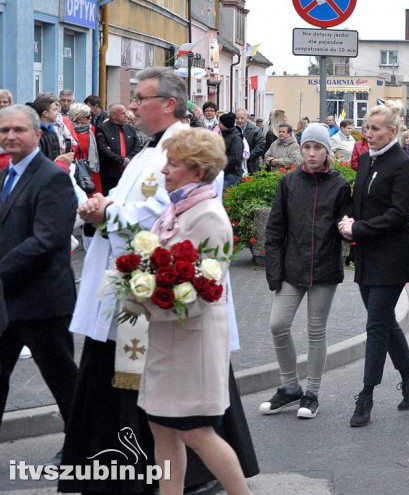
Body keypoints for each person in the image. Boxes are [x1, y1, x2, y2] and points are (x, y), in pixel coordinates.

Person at [63, 67, 258, 494]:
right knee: (163, 428)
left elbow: (170, 247)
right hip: (148, 317)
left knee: (192, 429)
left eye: (141, 97)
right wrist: (104, 206)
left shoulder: (195, 187)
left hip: (173, 328)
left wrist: (110, 221)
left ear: (169, 104)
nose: (133, 104)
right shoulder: (154, 152)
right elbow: (145, 213)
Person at [134, 128, 252, 495]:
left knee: (195, 431)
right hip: (168, 340)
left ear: (197, 172)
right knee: (162, 427)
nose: (164, 171)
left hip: (193, 344)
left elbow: (205, 293)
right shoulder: (175, 210)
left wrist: (148, 302)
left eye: (174, 164)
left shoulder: (209, 218)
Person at [338, 101, 409, 427]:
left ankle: (366, 395)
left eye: (374, 128)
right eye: (366, 127)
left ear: (392, 131)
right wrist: (346, 218)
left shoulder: (402, 164)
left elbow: (398, 213)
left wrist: (357, 228)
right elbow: (357, 200)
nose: (368, 133)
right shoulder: (366, 161)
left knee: (375, 325)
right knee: (385, 321)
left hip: (392, 255)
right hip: (367, 254)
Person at [262, 123, 352, 419]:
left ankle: (311, 392)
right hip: (292, 267)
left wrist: (349, 236)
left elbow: (346, 225)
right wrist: (274, 271)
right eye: (307, 147)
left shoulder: (339, 184)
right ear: (301, 149)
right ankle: (290, 386)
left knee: (316, 331)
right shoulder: (289, 183)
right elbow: (275, 229)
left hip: (324, 269)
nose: (312, 153)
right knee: (278, 324)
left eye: (318, 148)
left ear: (327, 151)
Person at [0, 105, 78, 441]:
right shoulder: (6, 174)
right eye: (4, 131)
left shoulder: (53, 177)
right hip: (7, 301)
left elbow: (47, 240)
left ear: (36, 133)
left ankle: (84, 447)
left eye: (18, 130)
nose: (10, 136)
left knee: (63, 382)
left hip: (43, 303)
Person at [95, 103, 144, 195]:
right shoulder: (102, 128)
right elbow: (103, 149)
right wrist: (121, 160)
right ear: (113, 115)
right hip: (110, 173)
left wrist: (128, 159)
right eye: (122, 113)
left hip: (128, 170)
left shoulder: (130, 128)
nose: (125, 116)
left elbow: (138, 146)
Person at [65, 102, 103, 195]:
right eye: (87, 116)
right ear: (78, 118)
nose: (91, 118)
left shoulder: (92, 130)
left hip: (92, 168)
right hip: (78, 169)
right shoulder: (68, 131)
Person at [235, 109, 265, 175]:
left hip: (251, 165)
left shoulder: (256, 130)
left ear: (247, 118)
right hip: (236, 166)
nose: (239, 120)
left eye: (242, 118)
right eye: (237, 118)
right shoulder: (232, 130)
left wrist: (246, 156)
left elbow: (260, 147)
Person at [219, 113, 244, 188]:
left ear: (225, 124)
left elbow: (235, 157)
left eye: (220, 123)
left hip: (232, 173)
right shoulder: (225, 135)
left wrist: (222, 166)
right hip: (224, 172)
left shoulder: (235, 138)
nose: (218, 125)